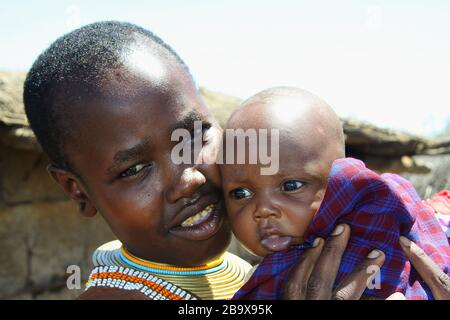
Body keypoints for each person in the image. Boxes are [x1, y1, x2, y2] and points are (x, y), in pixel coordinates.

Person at [23, 21, 449, 300]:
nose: (189, 178)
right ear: (77, 190)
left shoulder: (257, 266)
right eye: (134, 169)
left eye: (194, 136)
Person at [219, 87, 450, 299]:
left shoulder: (388, 229)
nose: (263, 209)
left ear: (341, 182)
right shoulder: (258, 281)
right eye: (241, 193)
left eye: (290, 186)